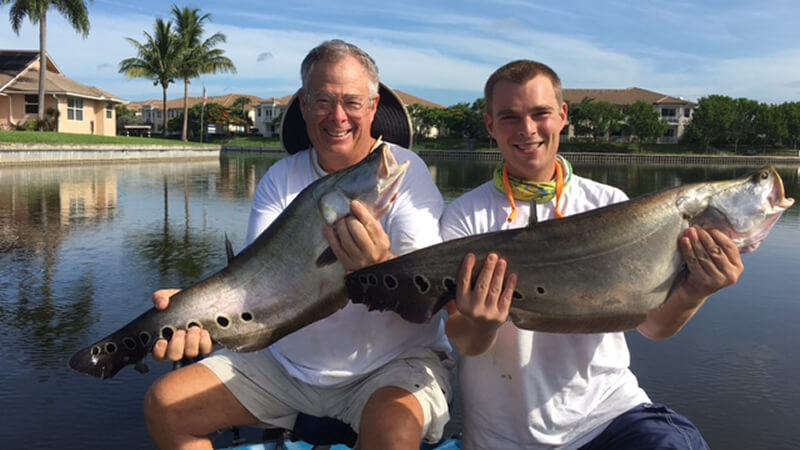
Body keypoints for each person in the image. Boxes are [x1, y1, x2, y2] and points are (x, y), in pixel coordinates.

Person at [143, 39, 453, 450]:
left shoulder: (404, 171)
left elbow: (428, 299)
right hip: (284, 365)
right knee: (167, 406)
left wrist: (382, 265)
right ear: (304, 105)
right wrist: (196, 310)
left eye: (352, 102)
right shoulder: (280, 178)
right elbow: (254, 287)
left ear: (373, 107)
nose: (337, 115)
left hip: (391, 366)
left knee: (393, 436)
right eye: (323, 100)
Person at [442, 59, 744, 449]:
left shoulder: (612, 205)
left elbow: (653, 327)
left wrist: (696, 291)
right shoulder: (464, 217)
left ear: (563, 116)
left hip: (609, 416)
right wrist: (481, 324)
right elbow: (463, 339)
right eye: (509, 117)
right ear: (490, 125)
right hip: (506, 437)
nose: (527, 129)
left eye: (540, 113)